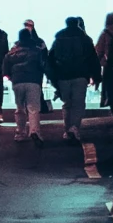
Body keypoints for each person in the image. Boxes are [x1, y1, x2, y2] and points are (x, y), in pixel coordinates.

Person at [47, 15, 101, 144]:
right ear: (77, 24)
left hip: (63, 77)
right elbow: (93, 59)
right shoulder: (85, 39)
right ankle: (74, 127)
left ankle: (67, 130)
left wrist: (53, 78)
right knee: (78, 104)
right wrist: (96, 77)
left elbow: (50, 60)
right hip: (80, 76)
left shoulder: (58, 39)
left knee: (67, 103)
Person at [6, 19, 48, 142]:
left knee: (20, 108)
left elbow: (6, 62)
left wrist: (8, 75)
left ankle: (20, 133)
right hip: (33, 80)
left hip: (17, 81)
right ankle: (34, 131)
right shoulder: (38, 46)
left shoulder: (14, 48)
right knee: (33, 108)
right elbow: (43, 62)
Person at [96, 10, 113, 115]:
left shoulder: (105, 33)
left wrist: (103, 62)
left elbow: (98, 51)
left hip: (109, 66)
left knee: (109, 88)